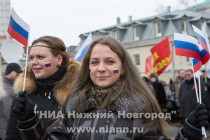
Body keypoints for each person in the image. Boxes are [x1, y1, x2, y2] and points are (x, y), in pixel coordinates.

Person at [11, 36, 209, 140]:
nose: (101, 68)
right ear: (88, 67)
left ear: (122, 68)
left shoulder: (139, 106)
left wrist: (188, 133)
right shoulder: (74, 104)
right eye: (95, 62)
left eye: (109, 61)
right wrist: (30, 122)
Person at [5, 36, 80, 140]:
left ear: (58, 59)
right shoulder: (24, 95)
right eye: (31, 58)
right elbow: (12, 136)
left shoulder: (78, 94)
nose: (33, 62)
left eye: (40, 57)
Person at [0, 63, 22, 139]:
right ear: (12, 72)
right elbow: (9, 111)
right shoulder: (5, 88)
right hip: (5, 130)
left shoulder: (7, 83)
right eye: (17, 72)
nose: (19, 74)